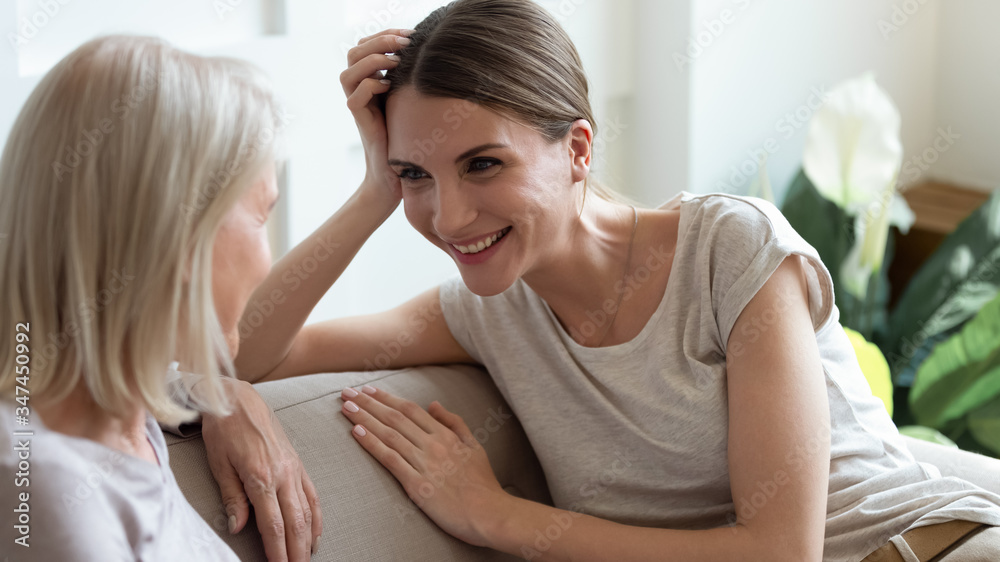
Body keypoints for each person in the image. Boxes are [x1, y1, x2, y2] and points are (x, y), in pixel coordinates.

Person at [231, 1, 1000, 560]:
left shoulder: (729, 250)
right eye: (416, 174)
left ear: (576, 149)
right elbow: (245, 354)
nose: (450, 215)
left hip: (930, 547)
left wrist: (492, 515)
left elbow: (779, 551)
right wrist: (375, 189)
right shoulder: (483, 315)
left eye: (484, 164)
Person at [0, 35, 326, 561]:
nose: (269, 257)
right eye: (263, 216)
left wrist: (211, 392)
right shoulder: (48, 491)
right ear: (181, 239)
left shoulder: (120, 414)